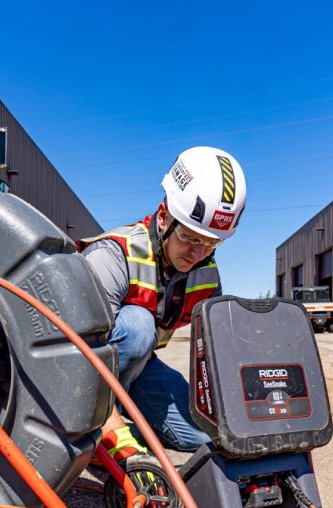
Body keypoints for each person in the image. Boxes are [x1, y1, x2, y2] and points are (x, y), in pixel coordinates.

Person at [77, 146, 247, 463]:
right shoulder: (113, 255)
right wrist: (112, 426)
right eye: (191, 238)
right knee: (139, 327)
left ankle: (125, 429)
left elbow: (218, 354)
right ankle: (93, 427)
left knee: (201, 435)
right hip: (86, 368)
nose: (199, 253)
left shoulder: (206, 274)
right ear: (165, 216)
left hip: (137, 367)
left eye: (211, 243)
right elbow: (77, 352)